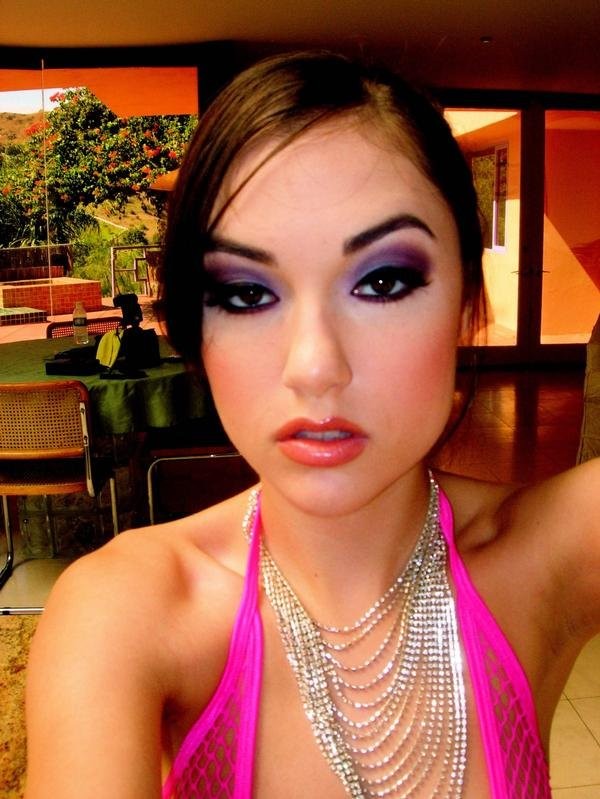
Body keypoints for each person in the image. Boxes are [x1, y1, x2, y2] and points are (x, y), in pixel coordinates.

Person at [25, 51, 600, 799]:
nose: (315, 366)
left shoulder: (552, 553)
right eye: (245, 293)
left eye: (382, 281)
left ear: (466, 301)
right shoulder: (123, 614)